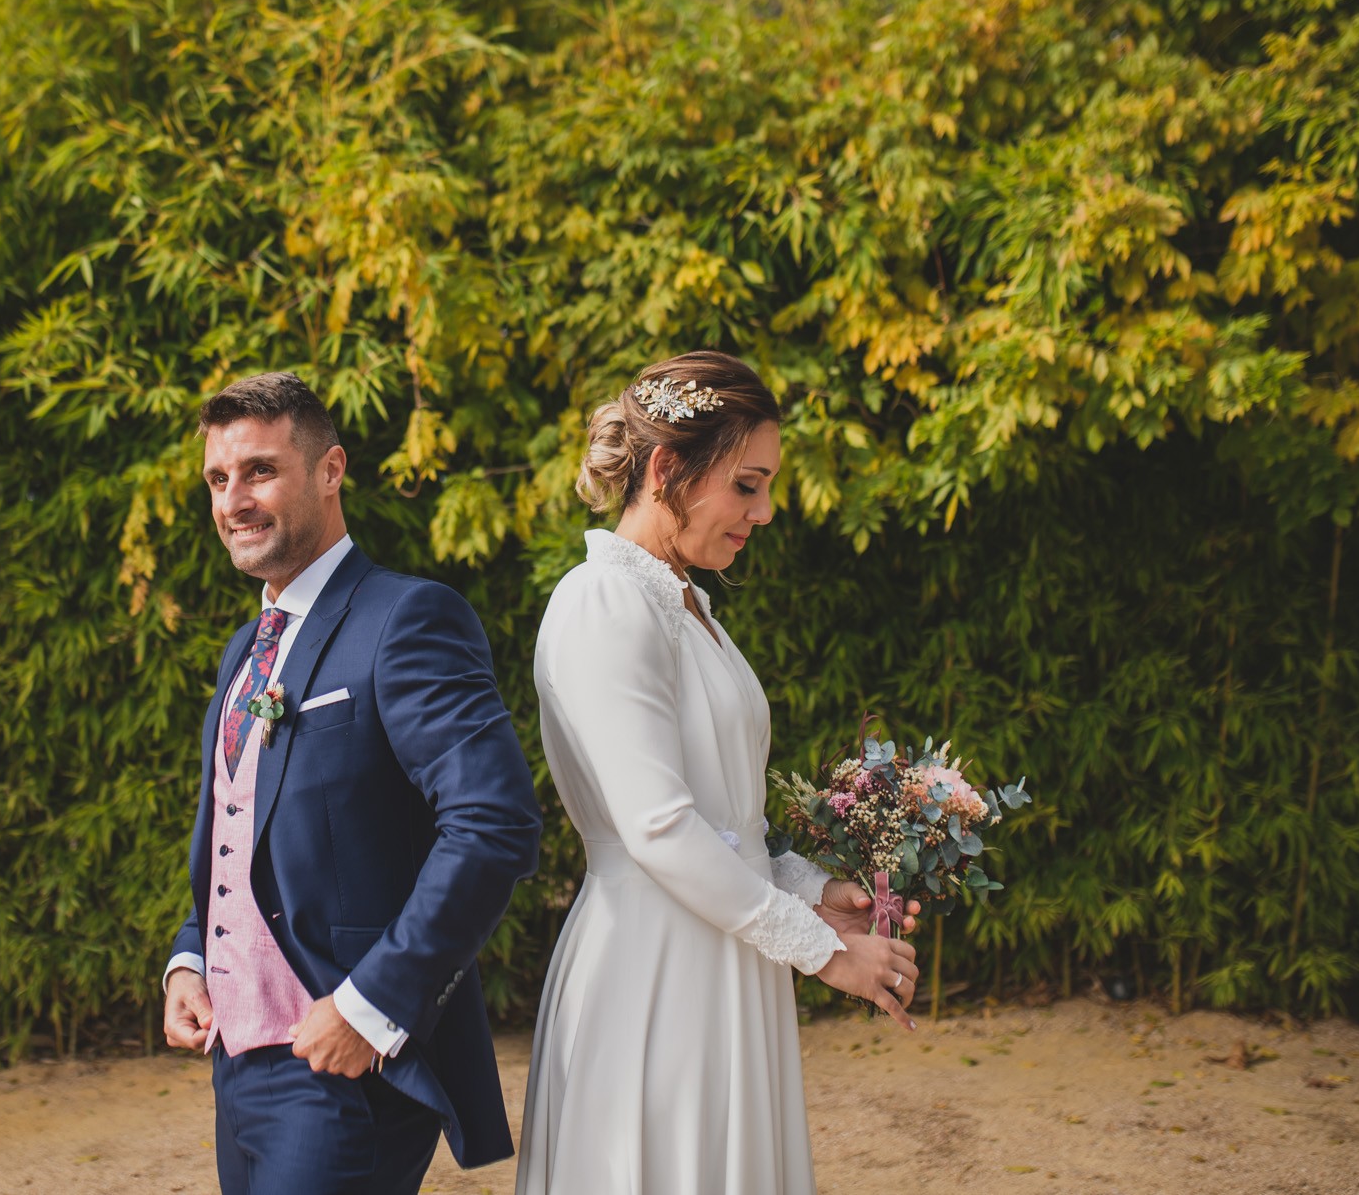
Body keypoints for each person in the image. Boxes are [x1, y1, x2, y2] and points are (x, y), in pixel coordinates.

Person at [516, 351, 921, 1195]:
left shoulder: (690, 605)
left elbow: (722, 819)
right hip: (650, 972)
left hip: (724, 955)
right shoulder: (603, 602)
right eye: (747, 484)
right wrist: (821, 954)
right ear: (667, 469)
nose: (765, 512)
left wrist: (809, 890)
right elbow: (658, 827)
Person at [163, 372, 543, 1195]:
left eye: (259, 470)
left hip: (344, 1069)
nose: (234, 500)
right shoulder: (243, 650)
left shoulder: (405, 619)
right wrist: (190, 957)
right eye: (218, 479)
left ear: (330, 469)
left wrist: (372, 1005)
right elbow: (242, 835)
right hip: (236, 1068)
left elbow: (495, 822)